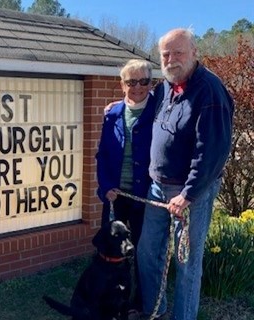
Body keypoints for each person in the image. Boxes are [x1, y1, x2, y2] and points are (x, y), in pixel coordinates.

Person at [136, 28, 234, 320]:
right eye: (165, 54)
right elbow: (144, 105)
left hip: (190, 193)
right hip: (157, 187)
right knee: (147, 252)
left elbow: (211, 153)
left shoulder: (210, 91)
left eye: (178, 52)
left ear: (194, 52)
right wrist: (121, 107)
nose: (171, 59)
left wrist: (188, 194)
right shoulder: (166, 86)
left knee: (186, 263)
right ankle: (155, 311)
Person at [96, 59, 157, 316]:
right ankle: (107, 295)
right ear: (122, 85)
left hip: (145, 196)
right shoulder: (112, 114)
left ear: (151, 83)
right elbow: (103, 155)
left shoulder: (160, 109)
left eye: (144, 81)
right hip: (116, 194)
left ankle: (138, 303)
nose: (138, 87)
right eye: (131, 82)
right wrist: (106, 187)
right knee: (109, 248)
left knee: (143, 251)